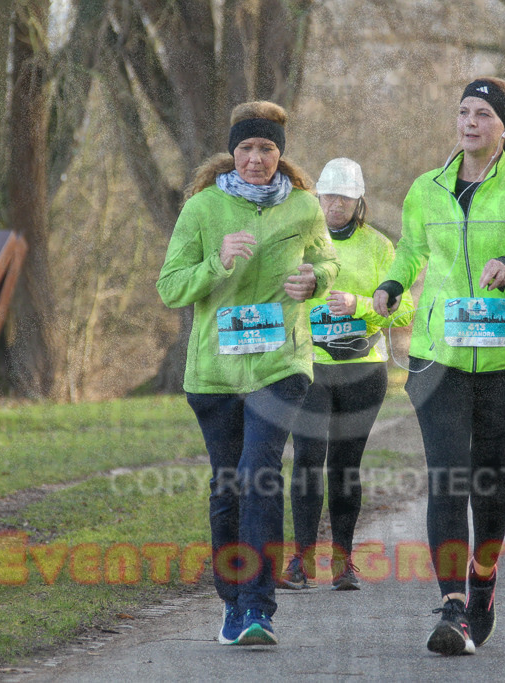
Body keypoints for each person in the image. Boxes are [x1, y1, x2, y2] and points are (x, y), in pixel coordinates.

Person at [372, 77, 505, 656]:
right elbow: (412, 250)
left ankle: (483, 583)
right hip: (439, 357)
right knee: (447, 478)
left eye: (482, 113)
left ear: (503, 127)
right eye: (462, 111)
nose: (469, 122)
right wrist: (392, 281)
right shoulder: (426, 188)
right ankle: (454, 606)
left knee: (489, 487)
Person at [156, 101, 339, 647]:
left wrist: (316, 280)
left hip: (281, 364)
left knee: (260, 473)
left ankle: (259, 608)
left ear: (280, 154)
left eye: (266, 149)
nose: (256, 159)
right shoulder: (203, 210)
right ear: (231, 153)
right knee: (228, 485)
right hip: (215, 373)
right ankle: (233, 604)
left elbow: (327, 261)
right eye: (246, 149)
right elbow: (170, 287)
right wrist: (217, 263)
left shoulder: (305, 208)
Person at [280, 158, 414, 592]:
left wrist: (360, 304)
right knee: (306, 460)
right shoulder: (298, 242)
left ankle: (342, 561)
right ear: (316, 198)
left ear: (359, 203)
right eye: (327, 196)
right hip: (309, 366)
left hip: (362, 370)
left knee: (345, 466)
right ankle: (301, 562)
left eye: (344, 197)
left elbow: (406, 307)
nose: (334, 204)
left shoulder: (379, 247)